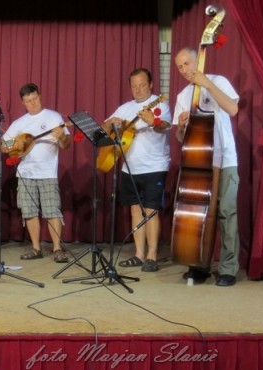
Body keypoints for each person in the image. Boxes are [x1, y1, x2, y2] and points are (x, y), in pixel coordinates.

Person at [173, 47, 240, 287]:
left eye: (187, 63)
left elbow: (233, 109)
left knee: (226, 213)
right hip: (200, 162)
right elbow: (181, 137)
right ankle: (199, 264)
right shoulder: (183, 96)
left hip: (226, 159)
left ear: (198, 59)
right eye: (180, 67)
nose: (184, 70)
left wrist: (207, 85)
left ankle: (228, 268)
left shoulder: (217, 80)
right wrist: (181, 126)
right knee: (202, 215)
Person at [103, 68, 172, 273]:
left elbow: (166, 125)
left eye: (142, 85)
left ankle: (152, 256)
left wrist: (154, 121)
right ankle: (139, 254)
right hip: (129, 167)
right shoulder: (125, 108)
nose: (138, 89)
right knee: (135, 210)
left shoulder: (160, 103)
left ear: (151, 84)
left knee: (151, 211)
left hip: (155, 166)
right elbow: (103, 126)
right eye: (134, 86)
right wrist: (110, 124)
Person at [1, 83, 70, 262]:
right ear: (23, 103)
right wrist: (16, 145)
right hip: (25, 173)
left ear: (40, 96)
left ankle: (57, 249)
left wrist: (61, 136)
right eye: (28, 101)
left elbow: (66, 144)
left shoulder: (54, 117)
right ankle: (36, 248)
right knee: (29, 212)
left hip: (47, 172)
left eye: (35, 99)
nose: (32, 103)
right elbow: (3, 144)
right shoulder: (20, 123)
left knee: (52, 211)